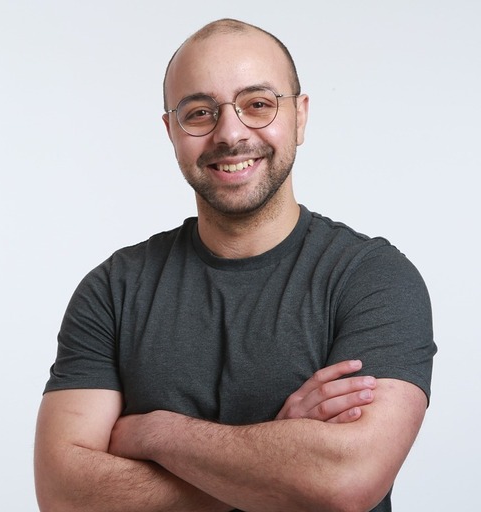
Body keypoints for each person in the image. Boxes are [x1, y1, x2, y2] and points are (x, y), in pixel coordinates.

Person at [34, 18, 437, 512]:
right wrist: (281, 459)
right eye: (199, 113)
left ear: (300, 116)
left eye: (258, 104)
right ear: (171, 131)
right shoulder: (113, 291)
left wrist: (156, 433)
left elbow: (346, 480)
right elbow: (63, 494)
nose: (230, 133)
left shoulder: (371, 278)